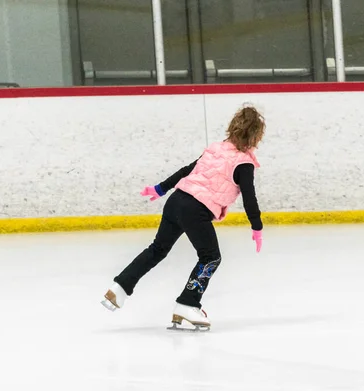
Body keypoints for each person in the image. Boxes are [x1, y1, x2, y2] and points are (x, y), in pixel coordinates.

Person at [101, 105, 265, 329]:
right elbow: (249, 198)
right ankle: (187, 304)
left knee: (157, 249)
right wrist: (257, 227)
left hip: (176, 201)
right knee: (211, 257)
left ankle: (118, 289)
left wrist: (161, 188)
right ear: (256, 135)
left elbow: (187, 169)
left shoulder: (216, 149)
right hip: (195, 210)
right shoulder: (243, 163)